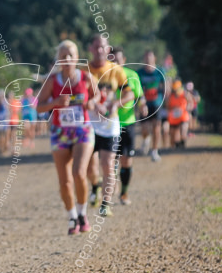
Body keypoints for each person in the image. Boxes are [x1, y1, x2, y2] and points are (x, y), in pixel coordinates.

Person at [36, 40, 98, 235]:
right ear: (59, 60)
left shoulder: (86, 77)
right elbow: (39, 107)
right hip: (60, 133)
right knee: (64, 181)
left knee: (79, 173)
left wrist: (91, 103)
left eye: (71, 55)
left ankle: (82, 214)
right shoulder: (53, 81)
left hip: (82, 130)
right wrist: (55, 102)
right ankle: (72, 217)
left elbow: (97, 97)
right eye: (63, 56)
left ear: (77, 57)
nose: (67, 59)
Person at [85, 36, 134, 217]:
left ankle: (106, 203)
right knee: (90, 168)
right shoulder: (85, 70)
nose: (99, 50)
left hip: (109, 124)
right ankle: (95, 185)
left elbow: (129, 93)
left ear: (107, 50)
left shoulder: (116, 70)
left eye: (102, 47)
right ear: (91, 48)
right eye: (96, 46)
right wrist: (92, 103)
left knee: (107, 164)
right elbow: (77, 94)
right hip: (89, 124)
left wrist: (116, 105)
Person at [111, 47, 143, 206]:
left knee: (126, 160)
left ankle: (124, 192)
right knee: (110, 159)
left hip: (128, 123)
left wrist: (143, 106)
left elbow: (139, 96)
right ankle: (111, 184)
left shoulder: (132, 75)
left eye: (118, 59)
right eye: (112, 60)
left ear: (123, 60)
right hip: (110, 124)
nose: (115, 63)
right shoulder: (106, 77)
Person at [137, 50, 168, 161]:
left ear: (154, 58)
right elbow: (137, 89)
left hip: (157, 103)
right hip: (144, 104)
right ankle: (146, 138)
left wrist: (166, 100)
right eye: (146, 58)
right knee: (144, 129)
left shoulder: (160, 71)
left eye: (150, 58)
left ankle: (154, 151)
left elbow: (165, 85)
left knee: (157, 127)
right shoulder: (139, 73)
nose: (148, 60)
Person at [166, 80, 191, 148]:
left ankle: (183, 141)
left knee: (183, 129)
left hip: (183, 116)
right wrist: (173, 108)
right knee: (173, 133)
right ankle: (176, 143)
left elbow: (190, 101)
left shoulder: (184, 94)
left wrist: (188, 107)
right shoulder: (170, 96)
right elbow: (168, 107)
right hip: (174, 118)